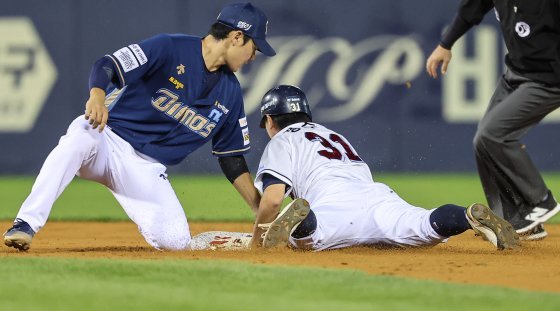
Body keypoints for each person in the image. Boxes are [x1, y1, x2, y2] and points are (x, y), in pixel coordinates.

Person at [3, 2, 275, 251]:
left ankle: (225, 241)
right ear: (237, 37)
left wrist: (256, 206)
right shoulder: (170, 47)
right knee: (78, 138)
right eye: (255, 47)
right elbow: (108, 64)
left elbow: (231, 158)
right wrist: (97, 94)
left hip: (145, 169)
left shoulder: (231, 92)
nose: (254, 56)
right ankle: (25, 224)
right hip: (105, 139)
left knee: (176, 243)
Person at [250, 85, 520, 251]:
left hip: (332, 206)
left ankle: (304, 223)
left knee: (305, 241)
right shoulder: (333, 135)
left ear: (270, 120)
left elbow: (273, 199)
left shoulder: (282, 140)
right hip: (376, 197)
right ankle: (468, 216)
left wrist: (257, 240)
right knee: (424, 224)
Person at [425, 0, 560, 241]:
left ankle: (540, 200)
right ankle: (509, 220)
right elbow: (471, 9)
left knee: (493, 134)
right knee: (483, 142)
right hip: (516, 73)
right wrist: (446, 44)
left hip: (548, 81)